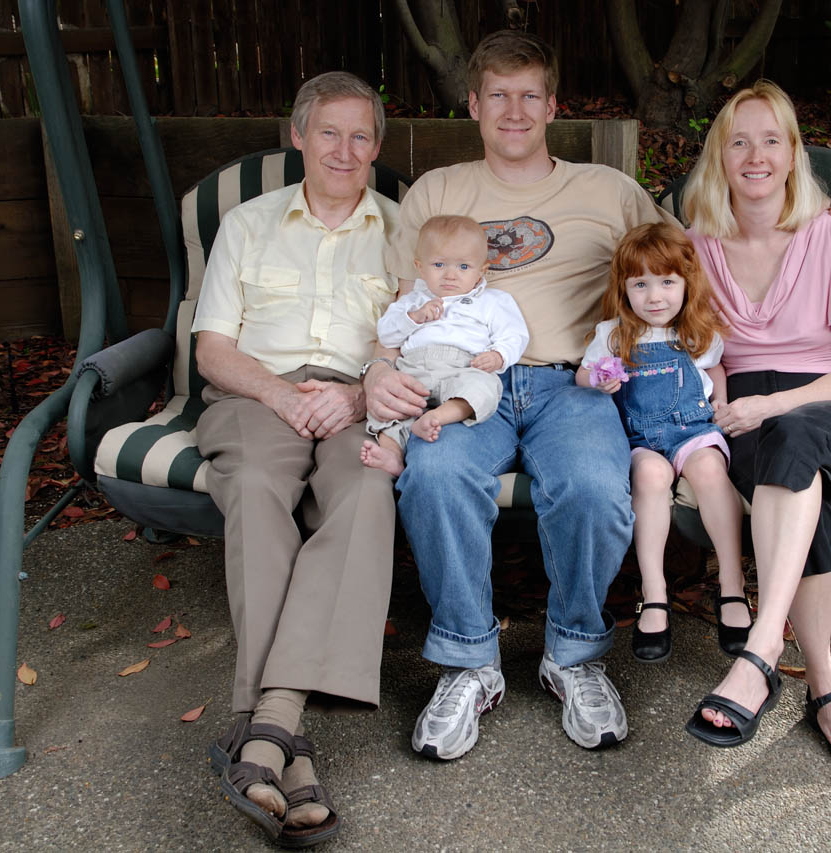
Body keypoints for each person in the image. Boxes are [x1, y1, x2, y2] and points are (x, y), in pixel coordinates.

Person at [364, 29, 679, 759]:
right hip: (458, 380)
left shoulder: (607, 190)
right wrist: (377, 370)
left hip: (572, 380)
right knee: (436, 474)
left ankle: (573, 654)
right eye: (498, 95)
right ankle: (470, 661)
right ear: (474, 105)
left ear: (552, 106)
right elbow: (400, 302)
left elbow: (681, 267)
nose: (514, 110)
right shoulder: (438, 190)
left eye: (529, 95)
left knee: (595, 485)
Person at [191, 71, 399, 845]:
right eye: (328, 132)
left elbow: (416, 342)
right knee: (253, 483)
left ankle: (267, 728)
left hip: (359, 402)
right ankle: (289, 741)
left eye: (360, 135)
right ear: (298, 136)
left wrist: (356, 398)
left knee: (368, 491)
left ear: (376, 147)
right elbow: (213, 348)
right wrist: (281, 395)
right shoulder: (247, 224)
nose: (344, 150)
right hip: (255, 395)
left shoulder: (403, 229)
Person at [681, 80, 831, 776]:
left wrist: (775, 405)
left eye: (771, 140)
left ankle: (762, 648)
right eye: (739, 141)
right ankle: (826, 688)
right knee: (808, 487)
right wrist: (719, 398)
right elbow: (698, 350)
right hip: (744, 409)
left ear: (792, 153)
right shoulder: (696, 247)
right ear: (719, 156)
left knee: (797, 436)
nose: (756, 156)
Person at [577, 222, 745, 665]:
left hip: (693, 430)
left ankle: (731, 584)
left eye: (667, 282)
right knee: (650, 476)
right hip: (638, 438)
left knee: (709, 469)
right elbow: (582, 373)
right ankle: (654, 593)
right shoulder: (613, 334)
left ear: (687, 283)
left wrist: (721, 401)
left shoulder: (696, 331)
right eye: (641, 284)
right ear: (624, 288)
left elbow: (715, 368)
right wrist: (599, 379)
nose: (655, 297)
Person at [360, 214, 529, 476]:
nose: (450, 275)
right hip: (414, 369)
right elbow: (387, 335)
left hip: (464, 368)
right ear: (420, 267)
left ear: (481, 270)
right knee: (390, 403)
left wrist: (498, 356)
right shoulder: (412, 301)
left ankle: (438, 417)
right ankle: (391, 454)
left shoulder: (493, 301)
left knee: (484, 387)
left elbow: (514, 334)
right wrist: (414, 318)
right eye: (439, 264)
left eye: (463, 267)